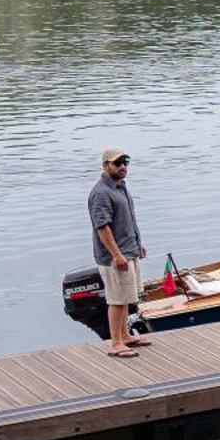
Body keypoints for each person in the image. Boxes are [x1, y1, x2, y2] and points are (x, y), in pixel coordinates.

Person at [88, 147, 150, 358]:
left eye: (125, 163)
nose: (123, 167)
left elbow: (129, 219)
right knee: (116, 298)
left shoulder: (121, 187)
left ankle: (125, 335)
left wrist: (137, 243)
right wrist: (116, 255)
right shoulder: (101, 192)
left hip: (129, 250)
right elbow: (102, 227)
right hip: (114, 257)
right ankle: (115, 343)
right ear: (105, 165)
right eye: (117, 163)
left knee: (127, 296)